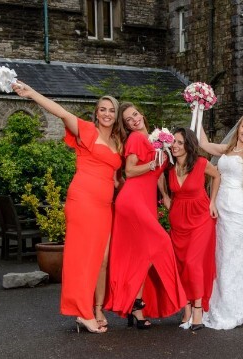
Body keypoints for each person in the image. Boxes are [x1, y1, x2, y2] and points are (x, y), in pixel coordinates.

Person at [13, 81, 123, 334]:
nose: (107, 114)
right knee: (82, 257)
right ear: (96, 112)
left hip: (105, 204)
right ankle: (82, 312)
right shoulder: (86, 129)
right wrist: (32, 93)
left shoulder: (118, 140)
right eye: (103, 109)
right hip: (83, 200)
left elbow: (116, 174)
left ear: (116, 115)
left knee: (102, 258)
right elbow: (60, 111)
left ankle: (94, 308)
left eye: (111, 111)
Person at [104, 102, 187, 329]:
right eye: (129, 119)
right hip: (132, 201)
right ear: (126, 125)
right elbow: (129, 171)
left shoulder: (153, 140)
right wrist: (152, 163)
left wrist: (164, 196)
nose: (134, 120)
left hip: (146, 202)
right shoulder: (136, 139)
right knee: (161, 243)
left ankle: (136, 308)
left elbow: (158, 175)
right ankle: (181, 301)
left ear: (142, 114)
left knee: (141, 256)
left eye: (135, 115)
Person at [198, 113, 243, 330]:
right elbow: (203, 143)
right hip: (219, 204)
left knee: (234, 256)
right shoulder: (227, 149)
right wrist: (197, 110)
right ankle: (217, 303)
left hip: (235, 206)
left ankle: (235, 308)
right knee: (219, 255)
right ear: (239, 127)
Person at [160, 127, 220, 331]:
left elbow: (217, 176)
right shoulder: (168, 169)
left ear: (188, 144)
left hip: (201, 218)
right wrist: (167, 200)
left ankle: (197, 308)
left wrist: (213, 202)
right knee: (182, 264)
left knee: (194, 262)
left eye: (179, 142)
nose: (175, 146)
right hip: (178, 222)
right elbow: (164, 189)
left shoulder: (201, 163)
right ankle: (185, 306)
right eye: (173, 142)